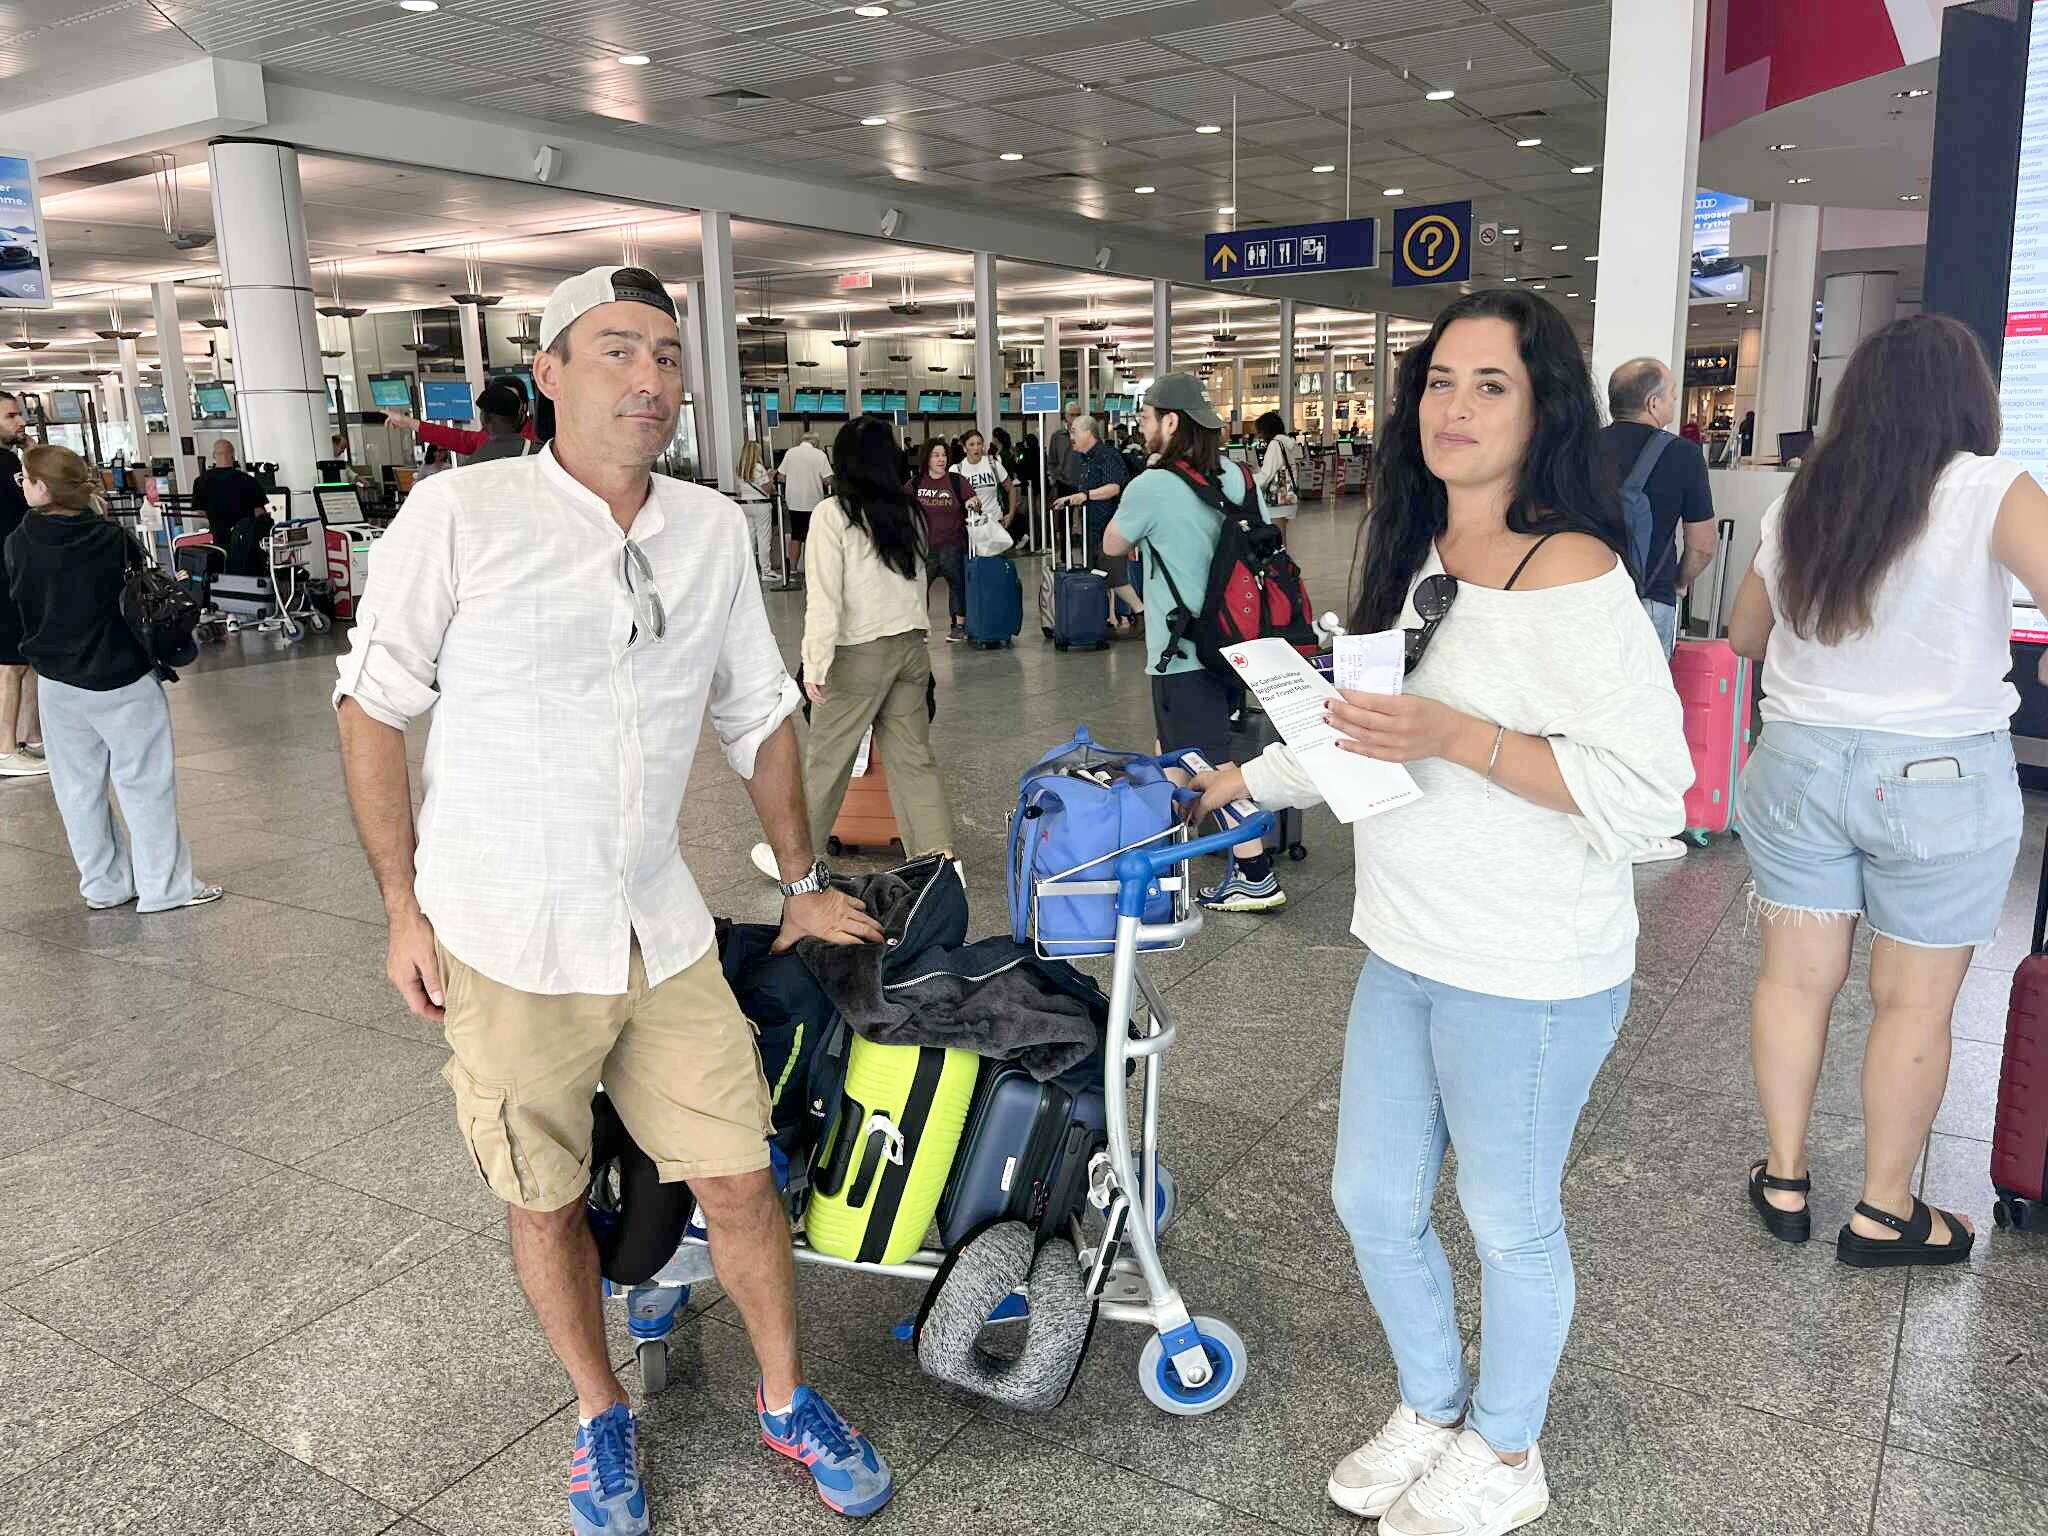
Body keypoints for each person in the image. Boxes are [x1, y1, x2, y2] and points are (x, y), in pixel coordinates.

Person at [334, 264, 896, 1536]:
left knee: (741, 1173)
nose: (649, 379)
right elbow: (371, 710)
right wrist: (401, 911)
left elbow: (758, 714)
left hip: (660, 929)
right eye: (616, 352)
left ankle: (784, 1396)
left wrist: (802, 886)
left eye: (664, 354)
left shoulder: (706, 529)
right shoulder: (460, 513)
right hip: (503, 933)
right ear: (551, 373)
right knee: (542, 1194)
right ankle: (599, 1416)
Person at [1186, 291, 1691, 1536]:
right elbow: (1372, 740)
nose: (1452, 409)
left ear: (1544, 410)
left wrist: (1463, 737)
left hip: (1526, 962)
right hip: (1404, 943)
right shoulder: (1418, 550)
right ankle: (1432, 1406)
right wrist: (1244, 777)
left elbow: (1649, 800)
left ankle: (1508, 1453)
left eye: (1491, 386)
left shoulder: (1574, 572)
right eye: (1439, 382)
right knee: (1371, 1199)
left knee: (1510, 1221)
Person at [1729, 314, 2047, 1268]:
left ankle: (1784, 1178)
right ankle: (1884, 1209)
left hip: (1798, 763)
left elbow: (1747, 634)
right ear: (1969, 399)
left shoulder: (1807, 496)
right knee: (1914, 1004)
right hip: (1939, 777)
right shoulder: (1992, 487)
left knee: (1794, 980)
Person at [1100, 375, 1287, 913]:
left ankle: (1254, 873)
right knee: (1177, 748)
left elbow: (1113, 542)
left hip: (1181, 649)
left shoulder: (1153, 484)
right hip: (1240, 640)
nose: (1141, 427)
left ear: (1172, 423)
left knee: (1203, 756)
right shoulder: (1240, 476)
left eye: (1145, 418)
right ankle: (1177, 846)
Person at [6, 445, 221, 912]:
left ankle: (103, 885)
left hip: (58, 682)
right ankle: (165, 888)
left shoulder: (19, 541)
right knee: (144, 783)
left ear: (44, 488)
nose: (19, 483)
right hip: (123, 678)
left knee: (77, 790)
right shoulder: (110, 539)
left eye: (25, 477)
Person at [763, 417, 953, 870]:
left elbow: (824, 598)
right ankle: (941, 862)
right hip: (911, 647)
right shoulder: (911, 513)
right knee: (913, 760)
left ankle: (795, 861)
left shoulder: (834, 515)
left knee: (827, 760)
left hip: (857, 653)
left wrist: (814, 663)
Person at [1600, 358, 1716, 657]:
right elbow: (1703, 546)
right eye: (1672, 393)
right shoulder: (1682, 455)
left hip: (1581, 593)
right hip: (1648, 597)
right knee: (1644, 697)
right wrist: (1678, 581)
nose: (1675, 399)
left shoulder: (1579, 447)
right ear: (1653, 403)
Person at [1053, 413, 1139, 633]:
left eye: (1074, 431)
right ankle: (1109, 618)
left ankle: (1141, 612)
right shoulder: (1085, 460)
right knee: (1099, 573)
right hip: (1092, 527)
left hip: (1110, 525)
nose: (1071, 436)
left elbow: (1114, 487)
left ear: (1088, 433)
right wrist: (1071, 499)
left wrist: (1087, 496)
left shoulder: (1106, 456)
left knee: (1115, 574)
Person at [0, 390, 47, 776]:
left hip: (17, 572)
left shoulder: (10, 461)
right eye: (12, 416)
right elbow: (38, 500)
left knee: (28, 659)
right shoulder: (4, 465)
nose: (21, 422)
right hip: (6, 575)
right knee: (12, 664)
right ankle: (4, 748)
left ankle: (33, 736)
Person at [384, 374, 537, 459]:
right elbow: (457, 437)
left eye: (508, 399)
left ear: (523, 406)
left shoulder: (541, 437)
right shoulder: (487, 438)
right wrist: (408, 422)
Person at [910, 439, 972, 642]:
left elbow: (972, 499)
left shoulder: (956, 481)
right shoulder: (917, 482)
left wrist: (974, 502)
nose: (941, 459)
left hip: (952, 544)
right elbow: (901, 504)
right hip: (924, 546)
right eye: (936, 455)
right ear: (927, 458)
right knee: (920, 587)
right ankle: (920, 626)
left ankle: (959, 626)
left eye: (943, 455)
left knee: (957, 584)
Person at [775, 429, 832, 589]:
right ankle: (811, 572)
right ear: (815, 442)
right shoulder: (820, 455)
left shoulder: (790, 453)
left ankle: (792, 571)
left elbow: (781, 476)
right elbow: (828, 479)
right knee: (813, 537)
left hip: (794, 502)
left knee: (796, 536)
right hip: (814, 502)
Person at [190, 438, 270, 546]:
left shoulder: (200, 481)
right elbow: (259, 513)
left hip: (217, 541)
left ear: (214, 455)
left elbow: (200, 514)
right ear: (233, 455)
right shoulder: (248, 480)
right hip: (245, 541)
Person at [951, 428, 1013, 547]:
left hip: (995, 524)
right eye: (972, 444)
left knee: (995, 562)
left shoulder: (993, 464)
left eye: (979, 444)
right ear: (965, 448)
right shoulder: (956, 470)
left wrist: (1010, 514)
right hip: (970, 527)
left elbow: (1010, 489)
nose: (976, 448)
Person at [1251, 410, 1302, 547]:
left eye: (1260, 430)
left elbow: (1266, 476)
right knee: (1281, 536)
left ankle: (1282, 566)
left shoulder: (1275, 444)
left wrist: (1246, 478)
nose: (1259, 435)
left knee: (1278, 540)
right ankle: (1283, 565)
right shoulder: (1286, 443)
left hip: (1277, 499)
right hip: (1288, 495)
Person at [735, 439, 775, 576]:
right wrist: (770, 476)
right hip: (760, 505)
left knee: (750, 538)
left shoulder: (740, 468)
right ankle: (766, 571)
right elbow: (768, 488)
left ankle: (751, 572)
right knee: (763, 538)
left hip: (745, 505)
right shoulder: (758, 467)